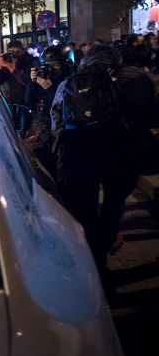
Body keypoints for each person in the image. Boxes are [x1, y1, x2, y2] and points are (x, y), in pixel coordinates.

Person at [49, 45, 138, 293]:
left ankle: (92, 270)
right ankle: (105, 246)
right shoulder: (124, 81)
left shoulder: (69, 83)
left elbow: (56, 116)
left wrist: (63, 141)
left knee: (83, 213)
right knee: (112, 207)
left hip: (77, 154)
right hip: (115, 152)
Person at [24, 45, 71, 177]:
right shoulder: (45, 79)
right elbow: (29, 102)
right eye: (47, 65)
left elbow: (63, 108)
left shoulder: (70, 82)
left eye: (55, 65)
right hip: (44, 131)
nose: (51, 69)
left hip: (62, 135)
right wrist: (32, 82)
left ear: (65, 64)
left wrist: (49, 89)